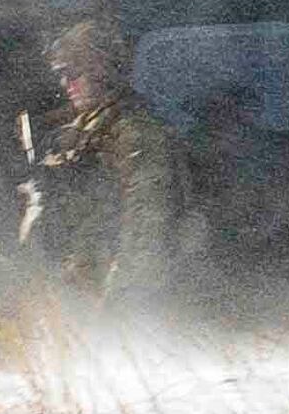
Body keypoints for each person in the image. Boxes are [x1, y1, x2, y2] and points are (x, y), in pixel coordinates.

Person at [20, 17, 190, 310]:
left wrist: (120, 305)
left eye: (73, 72)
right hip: (80, 286)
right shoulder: (85, 127)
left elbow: (146, 228)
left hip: (116, 298)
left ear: (102, 71)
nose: (66, 83)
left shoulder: (135, 135)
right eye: (61, 73)